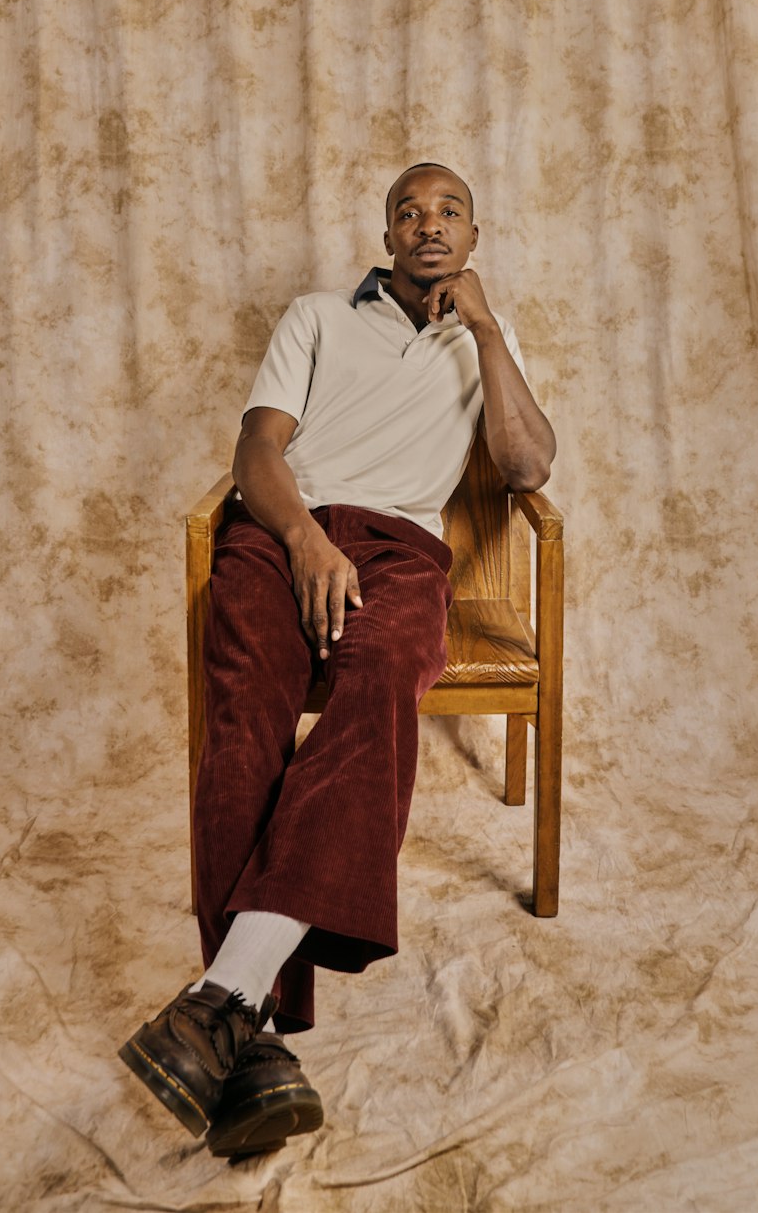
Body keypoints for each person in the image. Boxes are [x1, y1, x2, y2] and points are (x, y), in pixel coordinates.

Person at [119, 162, 556, 1158]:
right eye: (409, 210)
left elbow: (527, 465)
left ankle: (220, 1003)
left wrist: (486, 331)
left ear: (472, 239)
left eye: (448, 212)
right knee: (245, 722)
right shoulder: (317, 315)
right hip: (281, 534)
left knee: (379, 690)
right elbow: (257, 452)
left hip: (403, 553)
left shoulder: (484, 345)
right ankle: (257, 1034)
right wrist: (304, 540)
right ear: (388, 233)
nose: (427, 224)